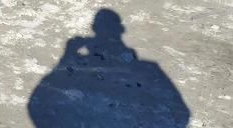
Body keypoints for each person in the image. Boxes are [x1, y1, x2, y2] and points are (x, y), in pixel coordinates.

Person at [28, 9, 190, 127]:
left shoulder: (147, 68)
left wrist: (67, 55)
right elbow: (181, 114)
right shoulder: (149, 68)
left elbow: (36, 104)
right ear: (121, 29)